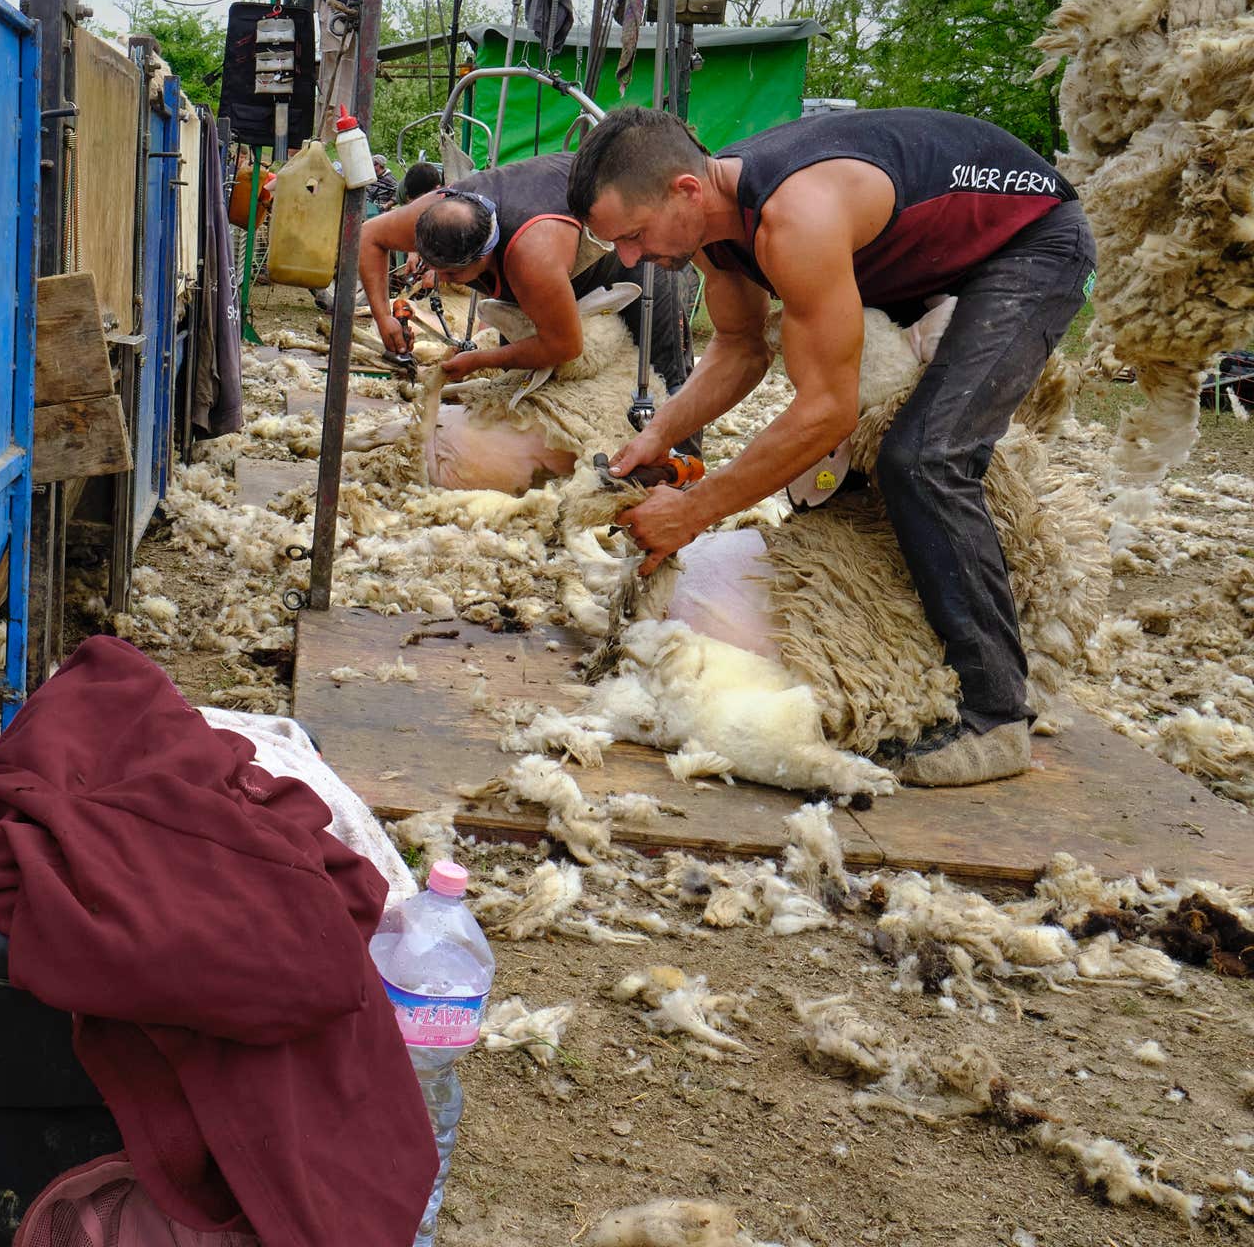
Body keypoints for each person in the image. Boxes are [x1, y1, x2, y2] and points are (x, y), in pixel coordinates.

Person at [565, 105, 1096, 787]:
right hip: (928, 258)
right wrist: (658, 433)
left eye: (634, 236)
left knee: (924, 456)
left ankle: (996, 716)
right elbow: (739, 348)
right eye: (617, 243)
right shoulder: (715, 227)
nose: (631, 259)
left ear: (686, 190)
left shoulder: (794, 218)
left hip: (1032, 246)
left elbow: (826, 411)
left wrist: (694, 512)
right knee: (845, 478)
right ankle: (893, 642)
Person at [356, 150, 690, 390]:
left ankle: (684, 457)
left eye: (453, 275)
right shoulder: (437, 214)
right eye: (435, 268)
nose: (442, 279)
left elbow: (565, 346)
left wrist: (481, 360)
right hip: (546, 258)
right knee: (517, 386)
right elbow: (369, 236)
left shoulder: (533, 256)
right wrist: (383, 316)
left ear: (485, 255)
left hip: (631, 259)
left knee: (664, 378)